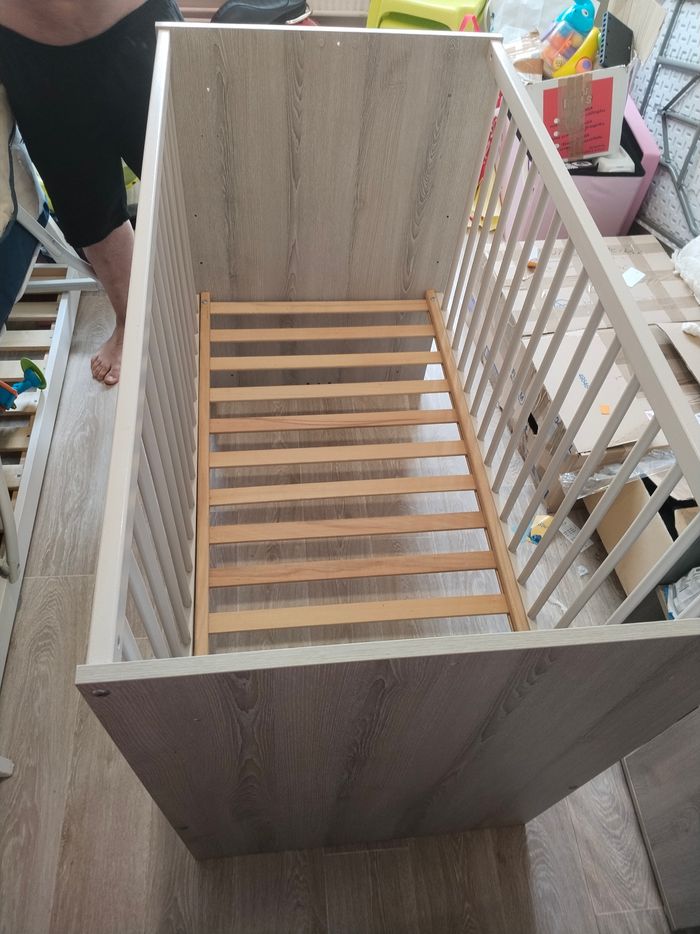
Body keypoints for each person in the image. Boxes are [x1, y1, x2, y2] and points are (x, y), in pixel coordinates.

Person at [0, 0, 183, 386]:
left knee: (192, 185)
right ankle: (130, 318)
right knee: (91, 216)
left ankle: (224, 307)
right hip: (29, 49)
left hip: (137, 24)